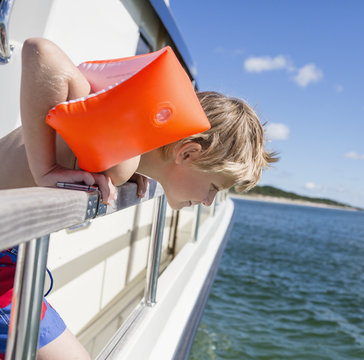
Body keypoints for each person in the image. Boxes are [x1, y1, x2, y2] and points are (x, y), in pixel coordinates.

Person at [0, 38, 277, 359]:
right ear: (187, 153)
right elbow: (40, 52)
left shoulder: (125, 152)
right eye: (214, 188)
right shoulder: (122, 160)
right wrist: (45, 169)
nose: (208, 202)